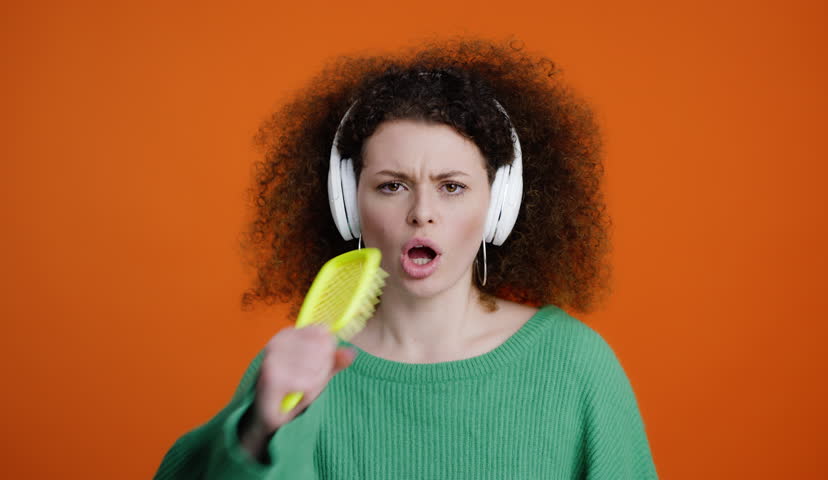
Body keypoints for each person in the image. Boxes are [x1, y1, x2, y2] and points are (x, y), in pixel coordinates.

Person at [154, 37, 658, 479]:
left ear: (498, 207)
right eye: (392, 186)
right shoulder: (299, 368)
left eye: (452, 187)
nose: (422, 213)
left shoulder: (573, 365)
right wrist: (261, 427)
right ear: (348, 204)